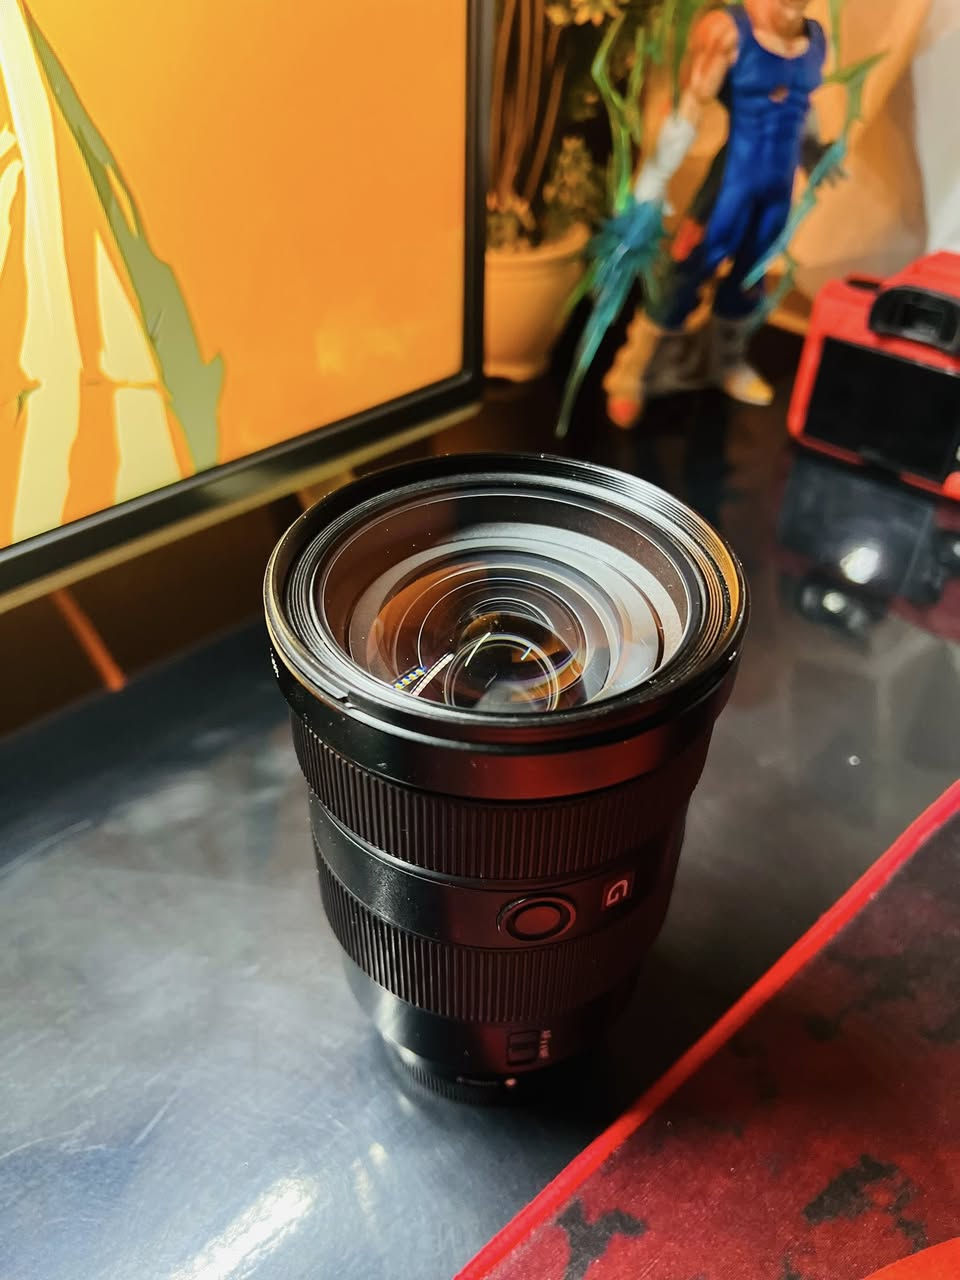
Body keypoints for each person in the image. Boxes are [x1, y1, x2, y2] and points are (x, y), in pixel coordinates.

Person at [604, 0, 827, 428]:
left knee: (752, 274)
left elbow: (805, 103)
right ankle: (635, 369)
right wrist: (653, 179)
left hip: (778, 189)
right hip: (730, 185)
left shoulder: (814, 41)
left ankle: (725, 360)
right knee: (687, 266)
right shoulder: (727, 32)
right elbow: (688, 108)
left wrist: (815, 151)